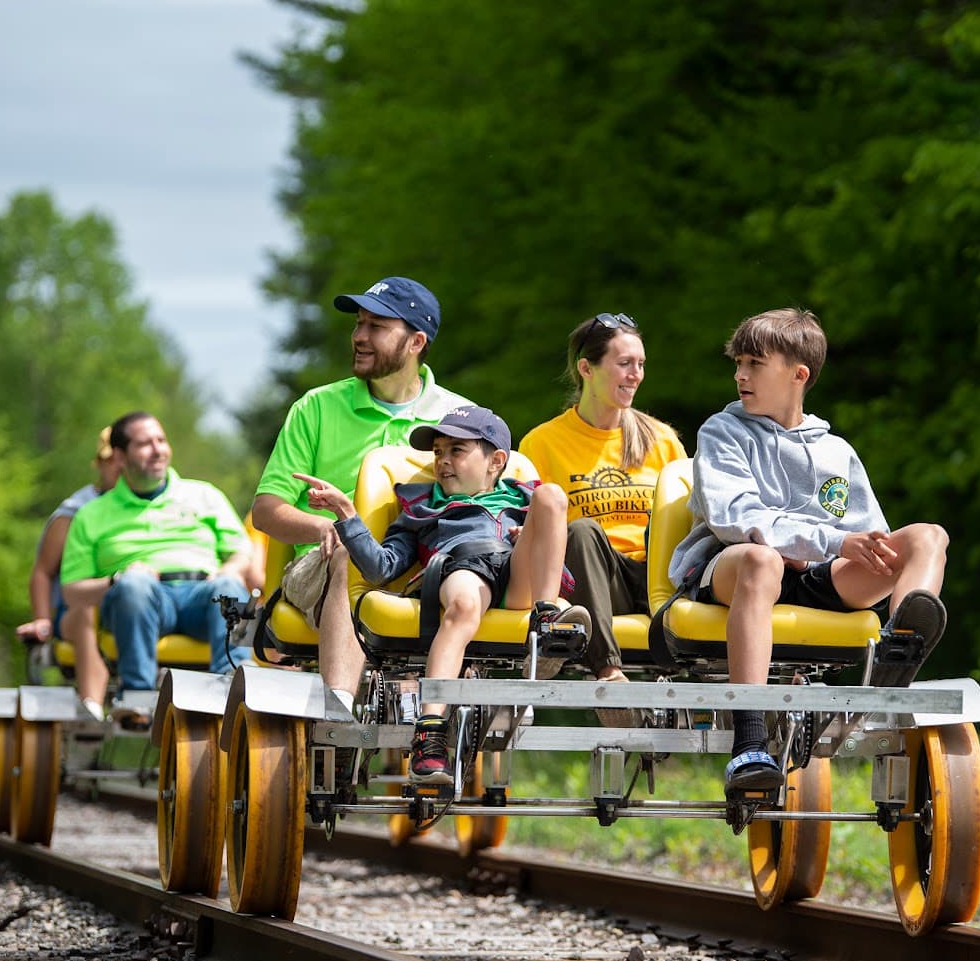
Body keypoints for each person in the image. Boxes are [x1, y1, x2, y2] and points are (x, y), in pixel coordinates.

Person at [668, 308, 949, 793]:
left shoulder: (836, 451)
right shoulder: (722, 431)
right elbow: (736, 518)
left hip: (818, 573)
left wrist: (845, 547)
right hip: (735, 570)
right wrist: (827, 541)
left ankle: (898, 652)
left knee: (929, 537)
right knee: (763, 558)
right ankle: (749, 742)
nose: (739, 375)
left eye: (755, 363)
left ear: (799, 374)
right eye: (738, 363)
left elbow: (868, 537)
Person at [298, 405, 589, 783]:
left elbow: (549, 543)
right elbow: (381, 567)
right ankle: (430, 733)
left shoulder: (522, 499)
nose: (443, 461)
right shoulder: (422, 508)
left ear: (496, 461)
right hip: (463, 567)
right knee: (464, 603)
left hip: (518, 574)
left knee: (551, 495)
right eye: (438, 452)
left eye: (456, 450)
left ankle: (546, 621)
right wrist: (347, 514)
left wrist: (528, 535)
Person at [251, 276, 471, 717]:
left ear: (416, 342)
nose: (359, 336)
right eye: (359, 324)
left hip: (417, 567)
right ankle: (339, 713)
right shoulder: (316, 408)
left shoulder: (459, 417)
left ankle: (468, 715)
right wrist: (325, 526)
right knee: (348, 552)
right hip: (325, 564)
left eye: (376, 327)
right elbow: (266, 510)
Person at [518, 313, 687, 726]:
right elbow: (527, 529)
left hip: (655, 578)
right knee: (581, 531)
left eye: (641, 364)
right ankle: (609, 675)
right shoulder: (542, 443)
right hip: (592, 579)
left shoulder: (661, 439)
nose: (636, 374)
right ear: (586, 368)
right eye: (624, 363)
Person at [60, 411, 255, 725]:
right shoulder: (91, 515)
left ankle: (236, 690)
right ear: (119, 457)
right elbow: (72, 592)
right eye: (144, 444)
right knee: (135, 585)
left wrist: (231, 568)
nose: (157, 450)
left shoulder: (204, 495)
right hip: (139, 602)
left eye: (161, 440)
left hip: (202, 596)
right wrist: (116, 580)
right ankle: (137, 700)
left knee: (231, 587)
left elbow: (241, 552)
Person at [15, 427, 126, 720]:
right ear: (99, 463)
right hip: (79, 606)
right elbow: (43, 571)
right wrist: (42, 619)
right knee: (85, 610)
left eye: (122, 460)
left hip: (128, 603)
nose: (117, 467)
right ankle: (91, 702)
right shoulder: (76, 511)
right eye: (110, 460)